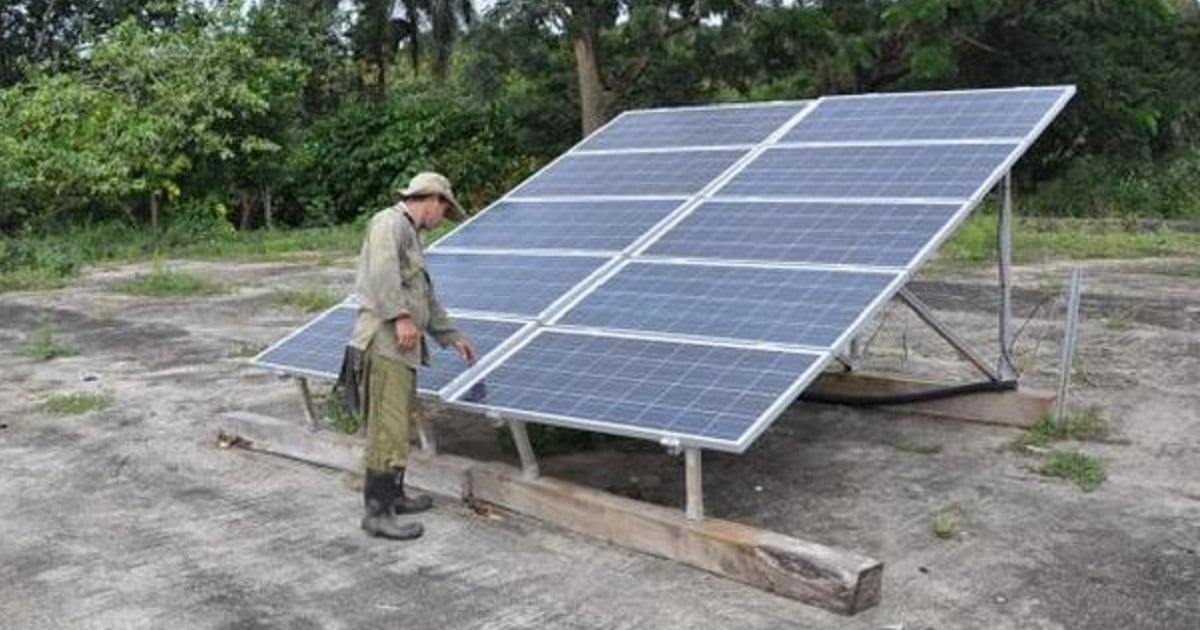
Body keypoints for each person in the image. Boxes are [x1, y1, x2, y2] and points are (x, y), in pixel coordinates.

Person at [346, 172, 476, 540]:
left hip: (402, 347)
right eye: (444, 210)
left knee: (397, 424)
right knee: (387, 428)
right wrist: (401, 316)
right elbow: (381, 273)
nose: (441, 220)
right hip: (385, 343)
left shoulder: (411, 235)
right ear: (432, 199)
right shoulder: (388, 223)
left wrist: (451, 336)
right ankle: (378, 512)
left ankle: (396, 496)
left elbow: (426, 298)